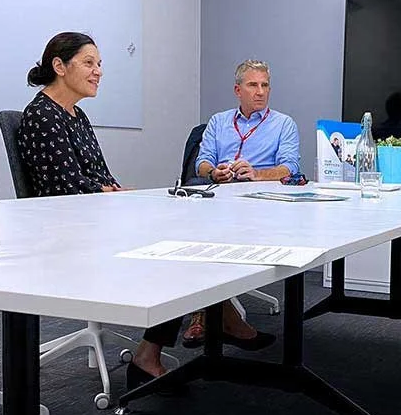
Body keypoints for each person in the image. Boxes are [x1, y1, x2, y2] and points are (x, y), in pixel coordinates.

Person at [17, 33, 265, 391]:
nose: (98, 71)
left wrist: (119, 193)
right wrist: (113, 195)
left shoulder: (76, 115)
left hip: (93, 217)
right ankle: (158, 350)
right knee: (179, 251)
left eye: (99, 64)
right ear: (59, 66)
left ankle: (213, 318)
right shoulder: (42, 115)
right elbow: (66, 190)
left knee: (186, 235)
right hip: (69, 230)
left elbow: (99, 177)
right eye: (89, 63)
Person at [184, 59, 301, 347]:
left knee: (212, 240)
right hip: (218, 198)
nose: (260, 91)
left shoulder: (283, 124)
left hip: (259, 204)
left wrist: (256, 173)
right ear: (238, 90)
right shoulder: (218, 121)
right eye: (253, 85)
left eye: (265, 85)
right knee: (190, 236)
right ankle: (219, 313)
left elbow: (290, 168)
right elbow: (202, 162)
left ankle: (207, 314)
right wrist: (215, 172)